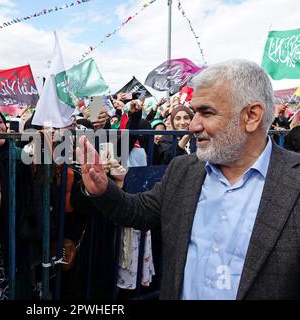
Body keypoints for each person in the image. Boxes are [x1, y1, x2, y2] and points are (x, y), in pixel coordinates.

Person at [76, 59, 300, 300]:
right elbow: (139, 212)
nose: (192, 126)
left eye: (206, 112)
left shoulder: (293, 182)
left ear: (251, 116)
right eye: (194, 113)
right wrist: (103, 189)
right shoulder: (184, 170)